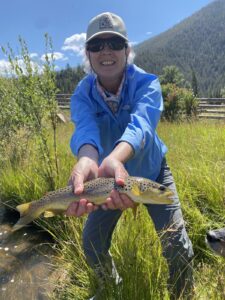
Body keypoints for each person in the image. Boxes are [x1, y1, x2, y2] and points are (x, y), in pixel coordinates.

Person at [67, 12, 194, 299]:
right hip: (107, 183)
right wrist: (87, 159)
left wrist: (115, 158)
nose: (106, 51)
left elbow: (142, 125)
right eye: (97, 46)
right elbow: (85, 129)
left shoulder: (147, 83)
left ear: (127, 50)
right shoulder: (82, 93)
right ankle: (110, 287)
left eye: (114, 42)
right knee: (91, 242)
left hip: (152, 174)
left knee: (175, 241)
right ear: (88, 54)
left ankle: (183, 293)